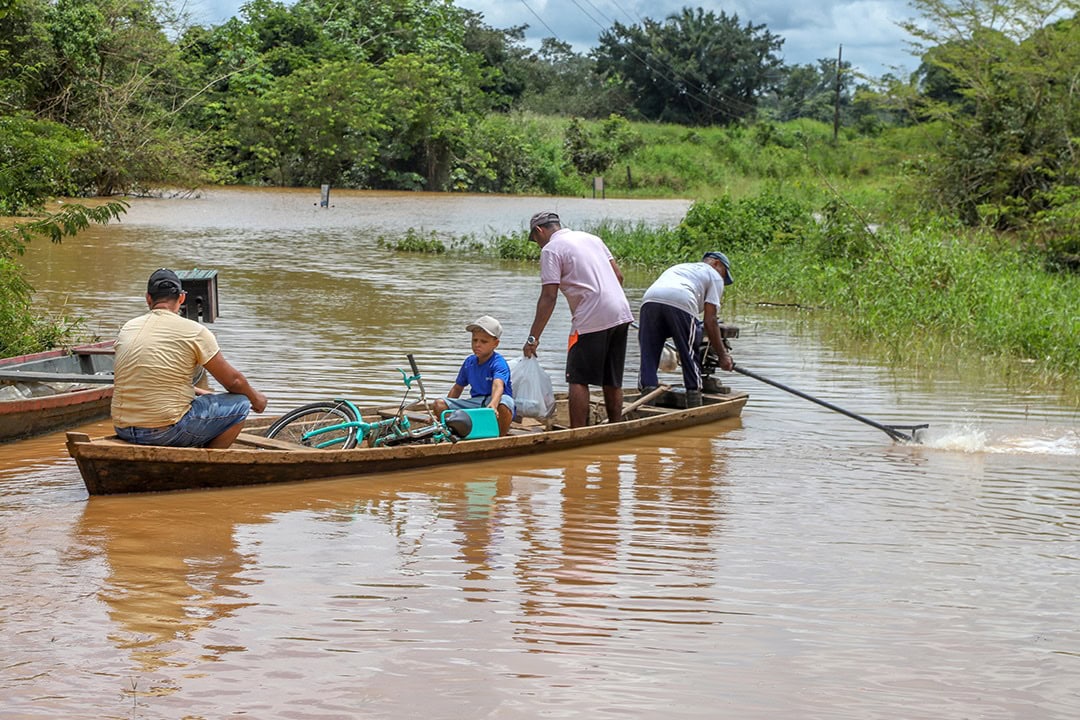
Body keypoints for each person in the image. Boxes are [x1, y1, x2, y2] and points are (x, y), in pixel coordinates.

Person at [111, 268, 268, 448]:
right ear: (182, 298)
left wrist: (201, 392)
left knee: (206, 400)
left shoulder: (128, 328)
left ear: (148, 298)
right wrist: (256, 399)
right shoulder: (195, 331)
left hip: (123, 428)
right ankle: (207, 461)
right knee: (241, 403)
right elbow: (234, 381)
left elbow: (151, 377)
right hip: (165, 431)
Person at [523, 211, 633, 427]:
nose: (538, 245)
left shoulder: (551, 249)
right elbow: (618, 276)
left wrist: (532, 338)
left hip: (591, 317)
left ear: (539, 231)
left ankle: (577, 433)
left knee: (577, 378)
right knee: (612, 378)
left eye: (535, 240)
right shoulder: (593, 239)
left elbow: (549, 297)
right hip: (620, 311)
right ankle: (616, 427)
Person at [637, 251, 736, 407]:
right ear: (716, 263)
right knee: (689, 353)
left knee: (648, 354)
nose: (723, 279)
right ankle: (694, 398)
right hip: (681, 301)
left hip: (650, 300)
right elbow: (710, 320)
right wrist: (723, 356)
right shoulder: (715, 276)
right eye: (724, 274)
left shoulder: (681, 267)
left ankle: (647, 401)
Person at [431, 315, 515, 436]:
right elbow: (457, 388)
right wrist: (444, 411)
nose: (477, 345)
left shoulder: (498, 363)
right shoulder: (469, 362)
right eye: (475, 340)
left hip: (495, 402)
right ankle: (458, 432)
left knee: (505, 403)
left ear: (495, 344)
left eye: (483, 341)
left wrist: (493, 404)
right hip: (476, 403)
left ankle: (499, 437)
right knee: (439, 404)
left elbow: (498, 385)